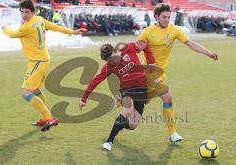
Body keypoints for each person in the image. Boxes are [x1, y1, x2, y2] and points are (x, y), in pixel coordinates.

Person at [137, 3, 218, 143]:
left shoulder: (174, 30)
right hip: (148, 72)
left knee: (142, 103)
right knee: (167, 97)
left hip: (160, 73)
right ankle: (172, 133)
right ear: (156, 16)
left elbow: (190, 43)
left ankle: (123, 101)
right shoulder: (147, 31)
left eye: (168, 17)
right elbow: (135, 49)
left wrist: (208, 53)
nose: (166, 20)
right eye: (163, 17)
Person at [2, 0, 87, 132]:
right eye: (22, 12)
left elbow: (12, 34)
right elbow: (54, 26)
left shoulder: (27, 27)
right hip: (39, 60)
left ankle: (49, 117)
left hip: (38, 61)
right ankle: (44, 117)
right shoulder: (39, 19)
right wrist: (72, 32)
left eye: (27, 12)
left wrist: (4, 28)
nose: (24, 14)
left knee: (25, 93)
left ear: (32, 12)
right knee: (35, 90)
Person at [79, 41, 155, 151]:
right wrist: (83, 99)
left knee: (133, 125)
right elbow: (95, 81)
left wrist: (151, 63)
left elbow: (145, 46)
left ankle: (118, 124)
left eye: (114, 57)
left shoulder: (128, 48)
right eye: (110, 61)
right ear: (106, 61)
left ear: (116, 51)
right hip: (126, 90)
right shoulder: (108, 67)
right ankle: (109, 141)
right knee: (128, 111)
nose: (113, 61)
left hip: (142, 89)